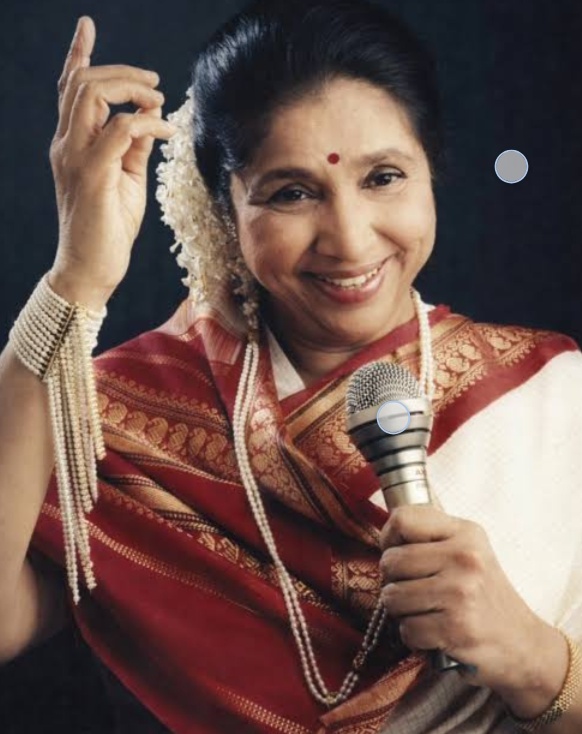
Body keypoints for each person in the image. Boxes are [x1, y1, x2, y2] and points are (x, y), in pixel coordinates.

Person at [0, 1, 581, 732]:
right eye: (293, 193)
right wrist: (75, 280)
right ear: (225, 209)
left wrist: (533, 659)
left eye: (384, 178)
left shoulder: (551, 396)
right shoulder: (111, 425)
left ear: (432, 171)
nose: (349, 239)